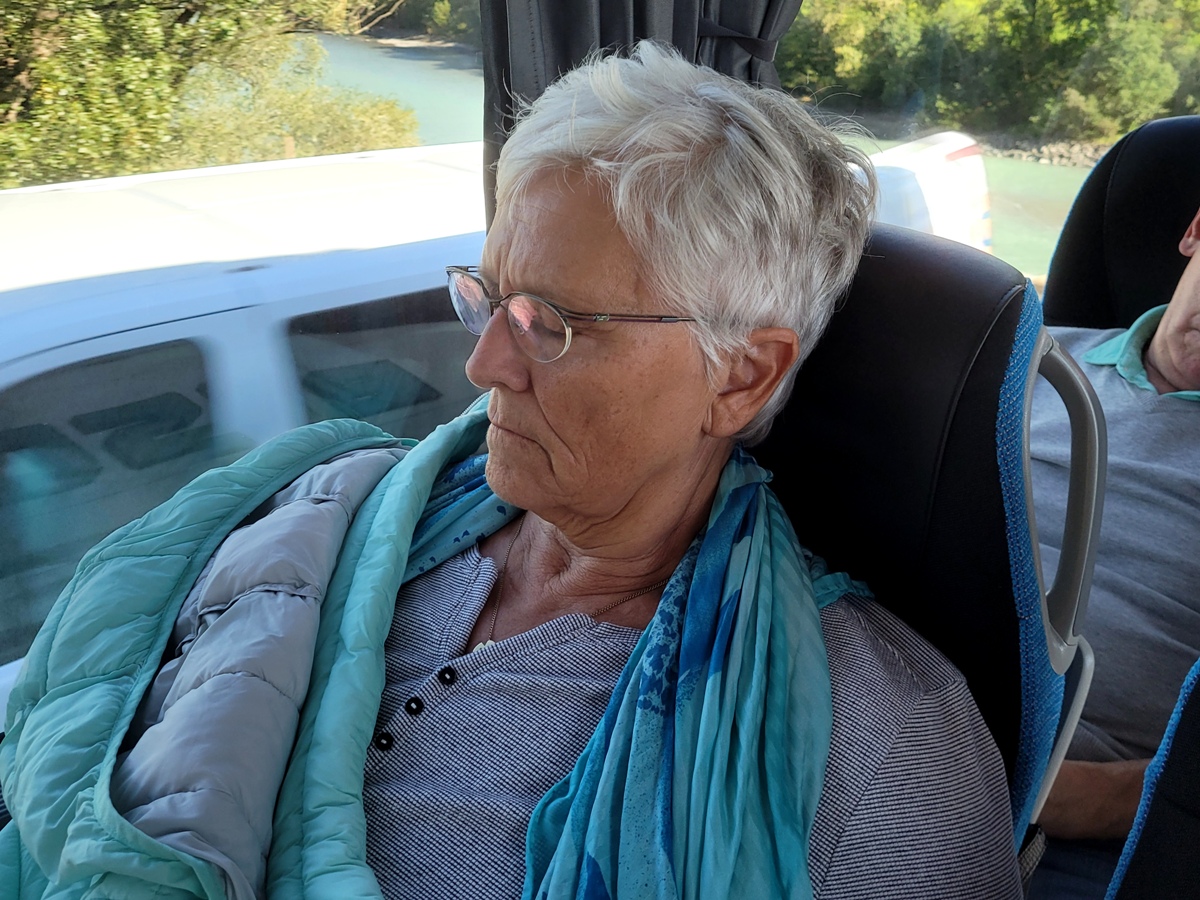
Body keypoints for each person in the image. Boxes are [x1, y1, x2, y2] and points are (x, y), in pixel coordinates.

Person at [0, 42, 1020, 899]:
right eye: (486, 299)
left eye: (552, 324)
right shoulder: (340, 512)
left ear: (741, 376)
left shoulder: (881, 756)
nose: (483, 364)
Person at [1028, 203, 1200, 898]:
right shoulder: (1022, 353)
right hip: (866, 705)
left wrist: (1085, 797)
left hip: (1067, 826)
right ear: (1195, 231)